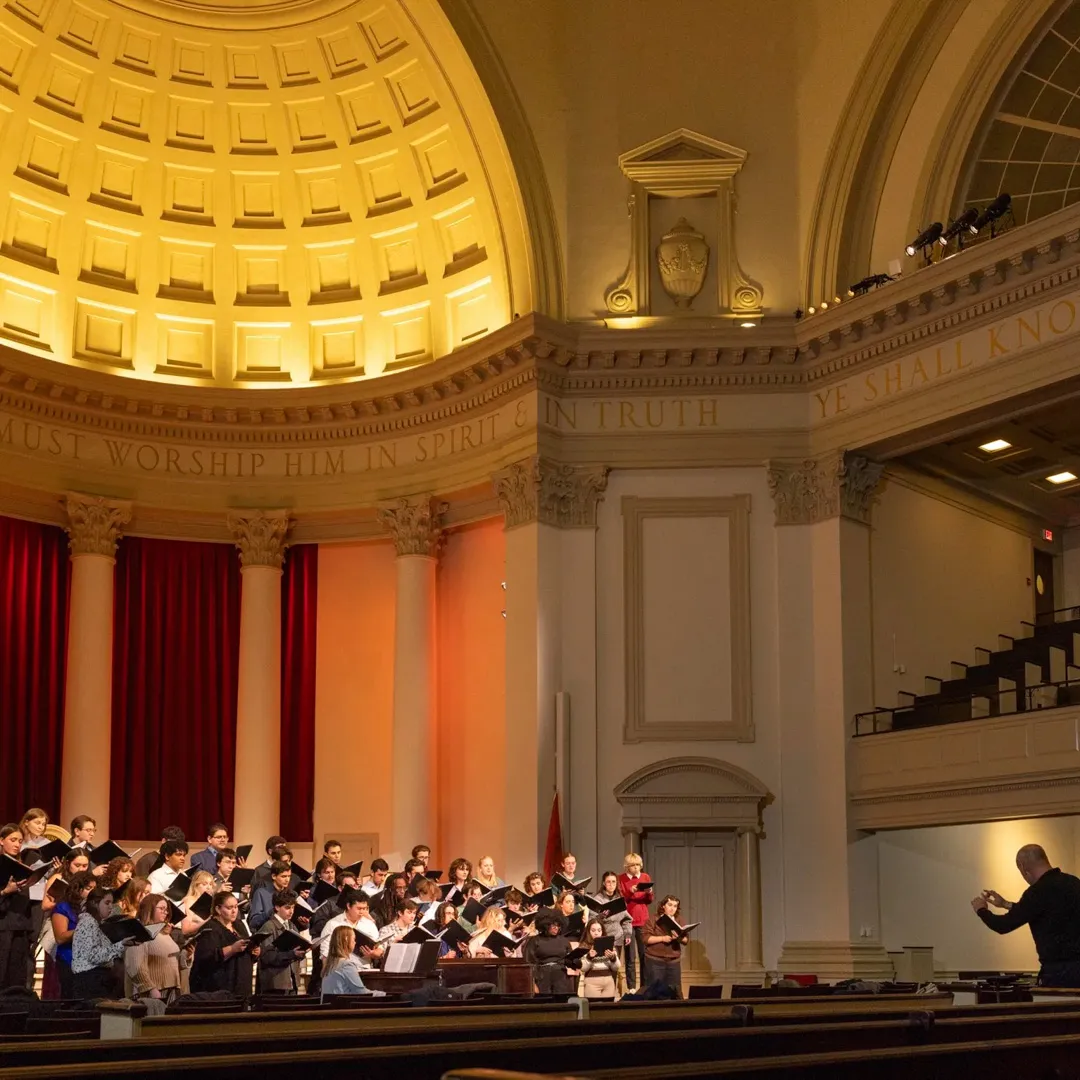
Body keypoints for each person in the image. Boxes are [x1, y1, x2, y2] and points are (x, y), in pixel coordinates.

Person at [973, 844, 1080, 986]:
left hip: (1058, 973)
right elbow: (1044, 911)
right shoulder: (1074, 883)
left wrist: (981, 910)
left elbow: (1003, 925)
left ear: (1022, 867)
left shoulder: (1037, 891)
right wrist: (1006, 904)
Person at [190, 891, 259, 996]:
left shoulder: (239, 924)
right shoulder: (210, 928)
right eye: (229, 908)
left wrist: (254, 952)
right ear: (218, 909)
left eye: (236, 907)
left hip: (242, 984)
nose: (234, 911)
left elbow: (245, 948)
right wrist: (232, 949)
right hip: (220, 987)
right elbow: (206, 959)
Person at [70, 886, 132, 998]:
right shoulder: (88, 922)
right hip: (90, 981)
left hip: (94, 980)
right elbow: (94, 956)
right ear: (94, 903)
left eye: (111, 904)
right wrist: (120, 945)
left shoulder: (95, 923)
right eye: (107, 903)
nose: (110, 908)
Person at [124, 893, 183, 1004]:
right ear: (149, 909)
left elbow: (172, 960)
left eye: (166, 910)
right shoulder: (141, 932)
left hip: (171, 990)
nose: (165, 912)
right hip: (152, 992)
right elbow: (135, 965)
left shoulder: (164, 933)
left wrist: (188, 955)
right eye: (162, 908)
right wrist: (150, 988)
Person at [50, 870, 95, 998]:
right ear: (77, 888)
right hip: (69, 959)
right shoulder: (63, 907)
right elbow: (60, 937)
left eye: (94, 889)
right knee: (71, 999)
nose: (92, 892)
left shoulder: (92, 907)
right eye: (88, 888)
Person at [0, 823, 33, 990]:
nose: (17, 844)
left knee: (18, 977)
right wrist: (6, 891)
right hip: (3, 927)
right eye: (13, 840)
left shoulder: (22, 865)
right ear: (1, 840)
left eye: (20, 841)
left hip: (21, 926)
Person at [256, 889, 305, 994]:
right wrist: (291, 954)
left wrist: (303, 951)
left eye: (293, 907)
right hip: (275, 983)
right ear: (277, 907)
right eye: (287, 908)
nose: (291, 911)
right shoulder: (269, 926)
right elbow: (266, 956)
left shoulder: (292, 926)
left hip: (292, 981)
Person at [320, 890, 382, 970]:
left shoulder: (369, 924)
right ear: (349, 906)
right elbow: (325, 953)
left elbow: (379, 949)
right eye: (359, 908)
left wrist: (373, 953)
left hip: (364, 970)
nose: (362, 912)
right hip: (341, 970)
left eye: (364, 908)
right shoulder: (333, 924)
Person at [618, 852, 652, 990]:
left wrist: (648, 892)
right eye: (633, 865)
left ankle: (644, 986)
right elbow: (622, 901)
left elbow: (649, 900)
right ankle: (631, 987)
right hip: (628, 922)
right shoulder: (621, 879)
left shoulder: (645, 877)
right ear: (627, 867)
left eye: (638, 865)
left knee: (644, 955)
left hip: (643, 920)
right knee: (630, 957)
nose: (636, 868)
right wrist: (630, 892)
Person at [642, 893, 688, 998]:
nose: (672, 908)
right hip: (655, 960)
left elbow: (685, 940)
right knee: (654, 992)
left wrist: (679, 938)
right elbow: (646, 939)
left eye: (675, 906)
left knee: (675, 991)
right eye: (670, 905)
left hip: (673, 961)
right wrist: (663, 938)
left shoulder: (679, 920)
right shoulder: (653, 919)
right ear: (663, 906)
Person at [592, 870, 632, 986]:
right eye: (608, 882)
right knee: (602, 967)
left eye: (613, 882)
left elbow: (627, 919)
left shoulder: (619, 899)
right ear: (604, 883)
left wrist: (627, 934)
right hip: (602, 937)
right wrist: (601, 916)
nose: (611, 884)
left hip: (617, 937)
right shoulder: (598, 898)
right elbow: (591, 919)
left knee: (614, 967)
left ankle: (611, 995)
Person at [320, 926, 383, 998]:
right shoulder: (346, 965)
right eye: (354, 939)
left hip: (329, 1007)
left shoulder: (330, 963)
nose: (355, 942)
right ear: (346, 940)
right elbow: (361, 993)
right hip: (341, 1007)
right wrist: (385, 994)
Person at [525, 911, 576, 995]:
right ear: (545, 925)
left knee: (561, 1002)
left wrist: (575, 960)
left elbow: (570, 960)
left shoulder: (564, 941)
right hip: (542, 976)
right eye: (553, 925)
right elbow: (529, 962)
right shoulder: (535, 940)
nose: (556, 928)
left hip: (561, 976)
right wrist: (533, 984)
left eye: (558, 925)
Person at [578, 917, 620, 999]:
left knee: (607, 1009)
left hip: (608, 981)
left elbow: (616, 967)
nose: (596, 933)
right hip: (592, 982)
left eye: (599, 930)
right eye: (593, 931)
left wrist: (613, 958)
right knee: (594, 1009)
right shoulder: (584, 946)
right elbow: (583, 968)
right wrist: (589, 957)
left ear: (602, 931)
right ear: (588, 932)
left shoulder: (610, 946)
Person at [249, 860, 292, 931]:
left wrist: (303, 923)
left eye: (289, 876)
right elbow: (254, 922)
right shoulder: (261, 893)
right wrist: (271, 912)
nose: (287, 880)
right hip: (268, 934)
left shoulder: (291, 894)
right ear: (274, 876)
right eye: (283, 876)